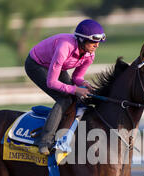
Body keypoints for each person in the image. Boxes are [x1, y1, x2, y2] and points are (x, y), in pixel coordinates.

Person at [24, 19, 106, 155]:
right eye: (93, 42)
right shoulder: (64, 47)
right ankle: (44, 141)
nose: (96, 45)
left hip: (56, 66)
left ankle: (67, 132)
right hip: (36, 65)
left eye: (98, 42)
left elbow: (76, 78)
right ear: (81, 40)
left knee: (78, 98)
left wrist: (84, 84)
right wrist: (76, 89)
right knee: (65, 99)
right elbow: (52, 83)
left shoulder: (90, 55)